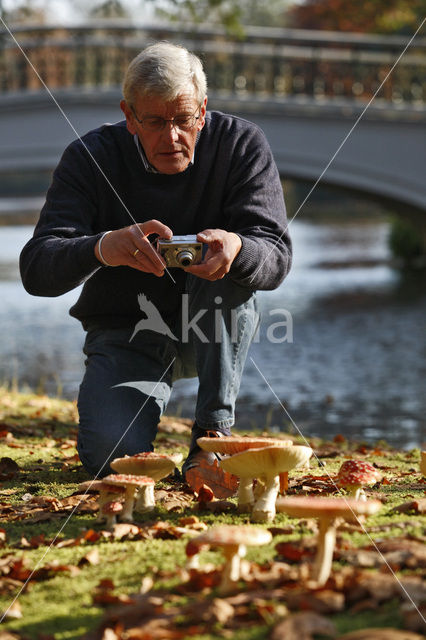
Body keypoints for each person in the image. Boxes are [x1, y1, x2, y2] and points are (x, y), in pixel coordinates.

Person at [20, 42, 292, 486]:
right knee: (113, 459)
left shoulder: (241, 145)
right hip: (127, 330)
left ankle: (212, 439)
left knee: (230, 271)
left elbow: (277, 257)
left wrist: (238, 248)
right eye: (155, 122)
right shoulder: (90, 157)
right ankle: (147, 431)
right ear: (129, 116)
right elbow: (36, 269)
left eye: (184, 120)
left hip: (211, 327)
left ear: (202, 111)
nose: (172, 137)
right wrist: (103, 248)